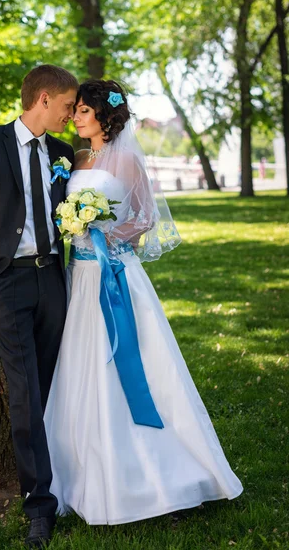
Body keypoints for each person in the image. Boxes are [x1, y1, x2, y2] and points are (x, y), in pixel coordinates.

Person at [44, 79, 243, 525]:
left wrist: (103, 233)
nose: (75, 117)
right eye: (73, 110)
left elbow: (146, 217)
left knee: (131, 366)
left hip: (115, 274)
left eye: (82, 111)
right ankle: (81, 472)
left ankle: (157, 475)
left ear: (103, 116)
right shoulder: (75, 159)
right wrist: (75, 225)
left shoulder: (128, 159)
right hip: (81, 278)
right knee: (84, 366)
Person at [0, 64, 78, 548]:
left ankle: (68, 484)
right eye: (67, 106)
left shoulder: (64, 154)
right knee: (25, 393)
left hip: (55, 281)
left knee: (53, 387)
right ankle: (39, 507)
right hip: (7, 284)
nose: (70, 115)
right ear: (43, 99)